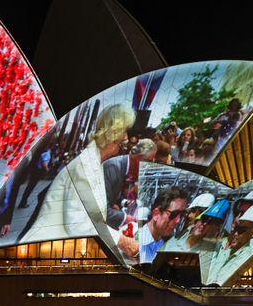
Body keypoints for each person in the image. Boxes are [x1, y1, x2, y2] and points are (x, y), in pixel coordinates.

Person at [23, 104, 136, 242]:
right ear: (113, 132)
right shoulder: (86, 165)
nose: (126, 137)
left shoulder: (95, 162)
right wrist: (120, 240)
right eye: (124, 131)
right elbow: (77, 224)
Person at [114, 186, 190, 264]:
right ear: (156, 214)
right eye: (174, 214)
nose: (178, 221)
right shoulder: (131, 231)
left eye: (182, 215)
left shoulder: (167, 248)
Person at [206, 202, 253, 285]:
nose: (236, 233)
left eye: (241, 229)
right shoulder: (222, 245)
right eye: (235, 227)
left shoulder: (248, 255)